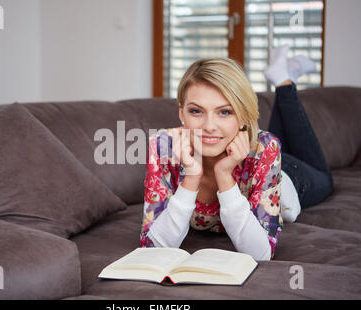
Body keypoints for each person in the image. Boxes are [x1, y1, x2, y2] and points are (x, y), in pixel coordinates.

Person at [140, 48, 333, 261]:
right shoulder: (163, 146)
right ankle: (285, 75)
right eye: (196, 111)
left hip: (286, 176)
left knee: (325, 179)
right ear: (181, 112)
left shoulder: (265, 148)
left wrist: (224, 175)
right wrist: (192, 177)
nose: (209, 126)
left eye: (225, 111)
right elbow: (152, 249)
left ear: (242, 116)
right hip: (257, 155)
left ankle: (285, 82)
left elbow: (260, 254)